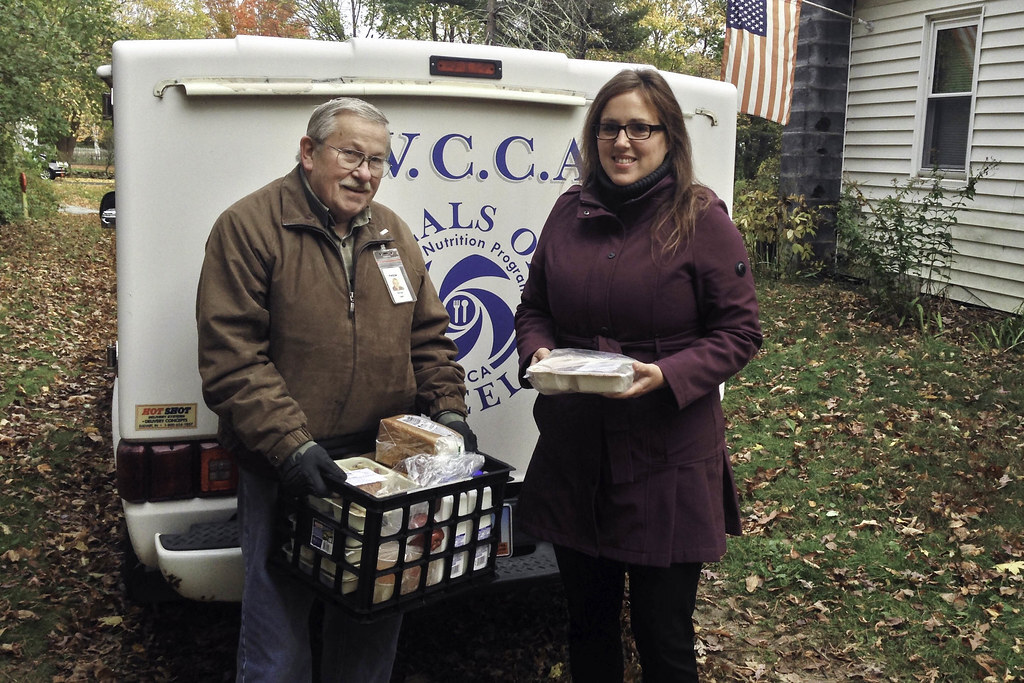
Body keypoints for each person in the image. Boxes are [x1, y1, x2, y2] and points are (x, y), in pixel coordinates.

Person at [196, 97, 476, 683]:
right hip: (287, 468)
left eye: (378, 160)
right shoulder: (248, 227)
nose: (366, 172)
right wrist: (291, 447)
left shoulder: (392, 232)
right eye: (351, 154)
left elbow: (427, 336)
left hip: (380, 471)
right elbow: (233, 358)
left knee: (373, 620)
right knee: (278, 642)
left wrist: (447, 409)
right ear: (308, 152)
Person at [513, 69, 763, 682]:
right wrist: (539, 351)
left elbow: (739, 332)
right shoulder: (568, 212)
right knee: (587, 626)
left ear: (667, 135)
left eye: (639, 128)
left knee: (664, 636)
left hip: (665, 454)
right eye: (608, 128)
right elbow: (534, 308)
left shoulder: (700, 217)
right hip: (577, 452)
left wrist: (669, 374)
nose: (622, 142)